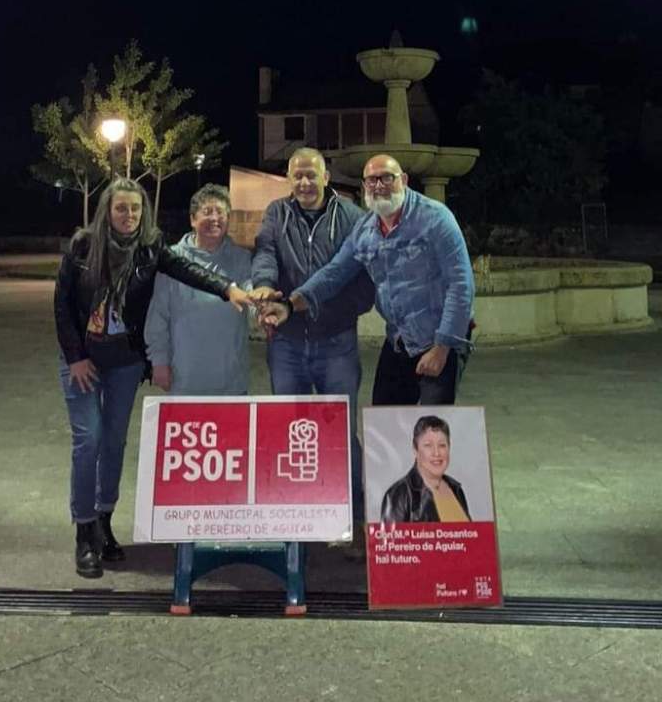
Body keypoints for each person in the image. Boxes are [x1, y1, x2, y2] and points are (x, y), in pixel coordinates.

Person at [54, 177, 253, 579]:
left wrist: (228, 289)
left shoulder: (150, 248)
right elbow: (62, 305)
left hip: (124, 361)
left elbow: (189, 270)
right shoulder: (83, 247)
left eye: (135, 208)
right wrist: (75, 357)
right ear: (107, 211)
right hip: (83, 361)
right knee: (88, 440)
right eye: (121, 208)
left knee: (114, 441)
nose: (129, 215)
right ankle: (84, 531)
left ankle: (104, 521)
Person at [264, 153, 473, 406]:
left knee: (433, 423)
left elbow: (460, 285)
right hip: (399, 339)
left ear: (404, 180)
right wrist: (289, 305)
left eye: (387, 178)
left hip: (438, 338)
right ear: (364, 186)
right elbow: (333, 274)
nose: (378, 185)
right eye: (371, 180)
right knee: (383, 419)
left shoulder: (436, 218)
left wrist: (442, 348)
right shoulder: (365, 229)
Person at [249, 147, 375, 526]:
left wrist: (324, 309)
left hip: (337, 343)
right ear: (289, 178)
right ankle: (296, 517)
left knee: (341, 432)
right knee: (290, 430)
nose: (304, 182)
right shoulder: (277, 213)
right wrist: (264, 284)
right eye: (297, 175)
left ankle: (353, 518)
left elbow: (360, 283)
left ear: (326, 177)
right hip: (287, 344)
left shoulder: (353, 217)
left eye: (311, 175)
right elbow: (265, 252)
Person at [145, 184, 253, 395]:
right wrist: (159, 361)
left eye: (221, 212)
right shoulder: (172, 260)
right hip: (185, 381)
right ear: (193, 219)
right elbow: (158, 316)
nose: (215, 218)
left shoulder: (242, 259)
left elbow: (252, 295)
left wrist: (265, 310)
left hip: (231, 384)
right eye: (207, 211)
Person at [380, 415, 471, 524]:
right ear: (415, 450)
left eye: (442, 445)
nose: (436, 453)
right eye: (428, 445)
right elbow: (390, 534)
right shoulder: (398, 495)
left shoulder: (456, 489)